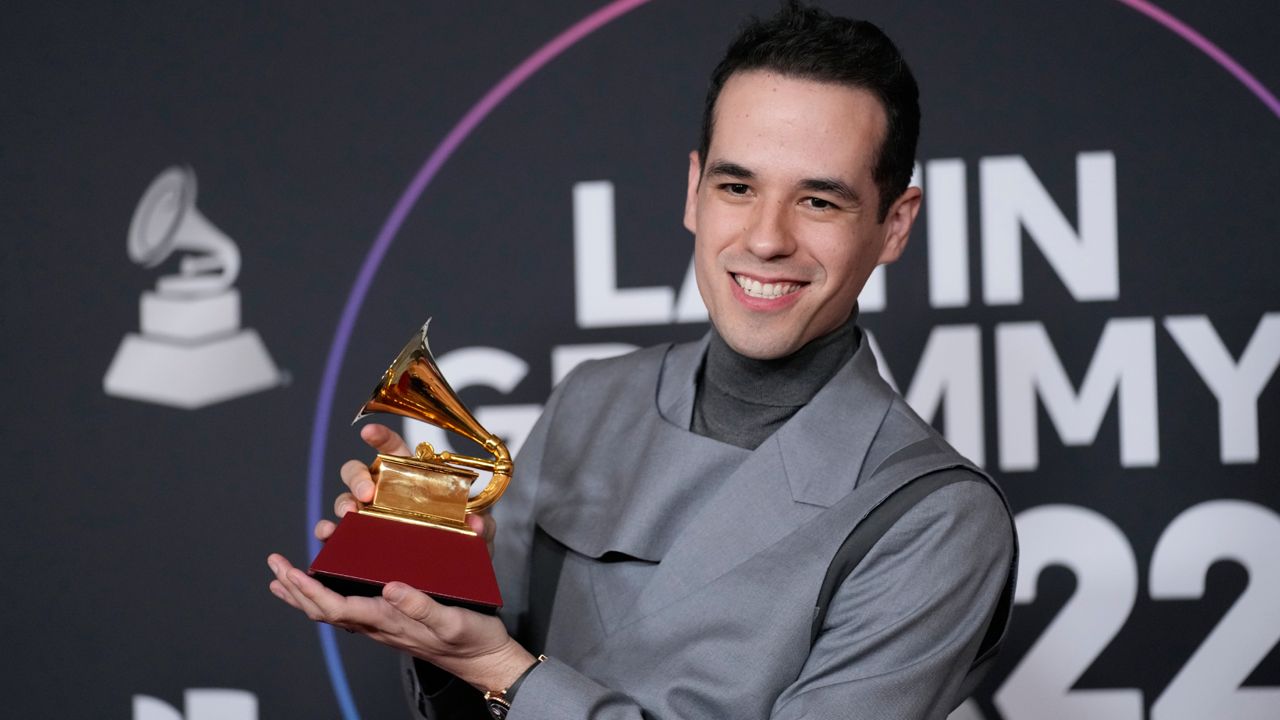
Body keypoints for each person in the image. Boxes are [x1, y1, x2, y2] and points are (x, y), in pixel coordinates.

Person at [267, 3, 1017, 718]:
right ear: (693, 191)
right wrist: (439, 589)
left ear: (894, 226)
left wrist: (503, 670)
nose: (765, 238)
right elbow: (474, 691)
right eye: (736, 186)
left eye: (819, 202)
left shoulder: (937, 519)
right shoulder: (591, 401)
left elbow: (503, 673)